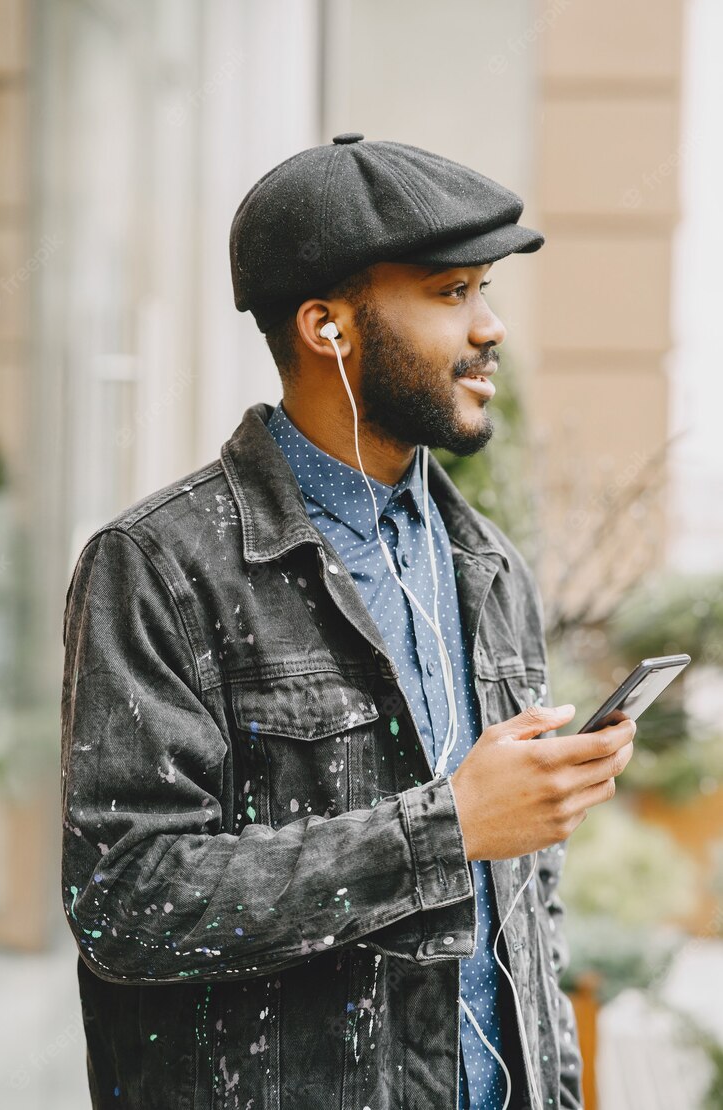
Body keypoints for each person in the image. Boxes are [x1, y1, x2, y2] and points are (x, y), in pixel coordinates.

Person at [60, 134, 636, 1110]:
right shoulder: (159, 566)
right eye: (450, 294)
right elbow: (125, 903)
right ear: (327, 326)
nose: (490, 327)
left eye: (482, 290)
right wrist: (444, 829)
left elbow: (529, 911)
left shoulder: (486, 567)